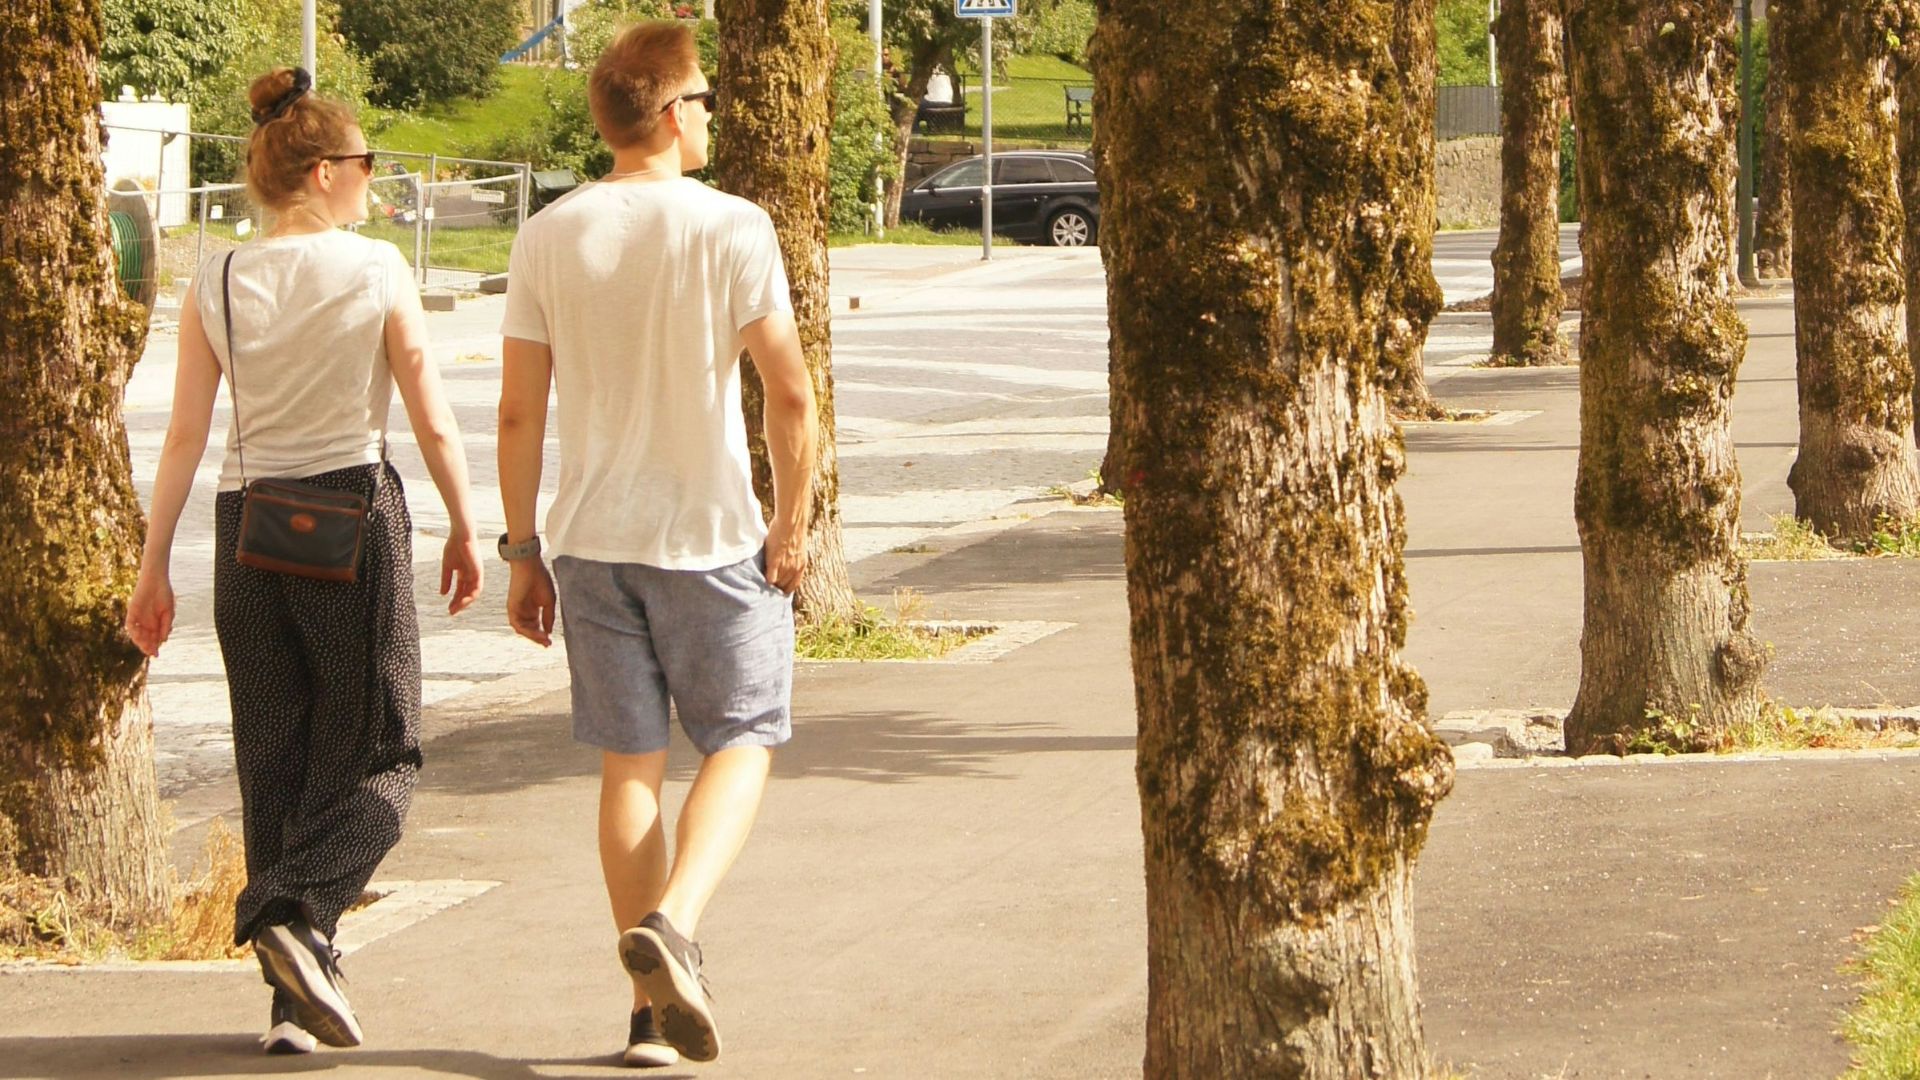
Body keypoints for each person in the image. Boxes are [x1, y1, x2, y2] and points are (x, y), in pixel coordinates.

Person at [125, 67, 483, 1055]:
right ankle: (295, 909)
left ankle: (295, 1003)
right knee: (381, 748)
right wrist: (467, 524)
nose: (374, 178)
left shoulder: (221, 276)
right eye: (365, 163)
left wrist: (153, 568)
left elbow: (186, 435)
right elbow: (429, 414)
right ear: (323, 172)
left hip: (247, 530)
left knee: (274, 763)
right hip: (348, 518)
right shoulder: (374, 268)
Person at [495, 20, 818, 1069]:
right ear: (674, 113)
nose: (712, 115)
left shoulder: (548, 233)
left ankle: (647, 1021)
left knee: (628, 767)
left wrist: (521, 548)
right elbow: (789, 393)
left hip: (591, 541)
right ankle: (674, 926)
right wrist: (792, 520)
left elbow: (515, 414)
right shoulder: (734, 227)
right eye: (706, 99)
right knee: (742, 738)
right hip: (710, 535)